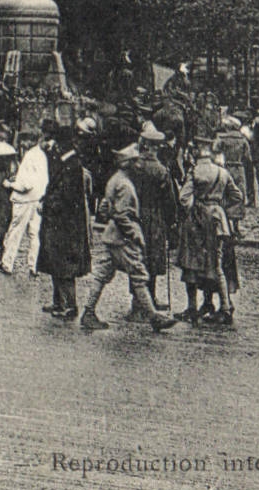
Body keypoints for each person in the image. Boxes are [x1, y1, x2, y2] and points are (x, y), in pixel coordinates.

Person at [80, 147, 177, 333]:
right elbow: (122, 216)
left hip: (112, 236)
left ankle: (89, 311)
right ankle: (154, 317)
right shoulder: (125, 185)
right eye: (136, 162)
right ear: (128, 164)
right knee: (139, 275)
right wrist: (134, 234)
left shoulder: (115, 179)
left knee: (102, 275)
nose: (139, 165)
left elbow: (104, 209)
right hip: (123, 239)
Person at [174, 140, 243, 325]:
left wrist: (194, 209)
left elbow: (183, 198)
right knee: (217, 264)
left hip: (197, 221)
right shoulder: (222, 171)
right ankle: (226, 308)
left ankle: (192, 308)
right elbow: (237, 196)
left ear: (197, 153)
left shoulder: (194, 172)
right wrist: (219, 208)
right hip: (218, 221)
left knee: (191, 263)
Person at [36, 125, 91, 320]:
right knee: (55, 262)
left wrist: (47, 205)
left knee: (65, 266)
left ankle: (70, 305)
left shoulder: (72, 166)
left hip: (66, 225)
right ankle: (59, 302)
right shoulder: (64, 162)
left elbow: (65, 196)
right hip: (58, 222)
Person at [128, 123, 178, 311]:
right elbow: (169, 200)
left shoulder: (134, 166)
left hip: (136, 215)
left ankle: (137, 300)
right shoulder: (161, 171)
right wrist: (171, 220)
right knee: (153, 257)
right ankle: (150, 297)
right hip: (155, 217)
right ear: (156, 147)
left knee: (136, 257)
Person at [0, 130, 49, 278]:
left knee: (16, 231)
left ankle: (7, 263)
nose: (21, 144)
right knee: (35, 234)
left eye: (23, 141)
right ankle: (34, 265)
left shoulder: (29, 157)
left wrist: (10, 184)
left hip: (25, 199)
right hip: (37, 197)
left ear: (29, 141)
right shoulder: (41, 155)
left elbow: (25, 185)